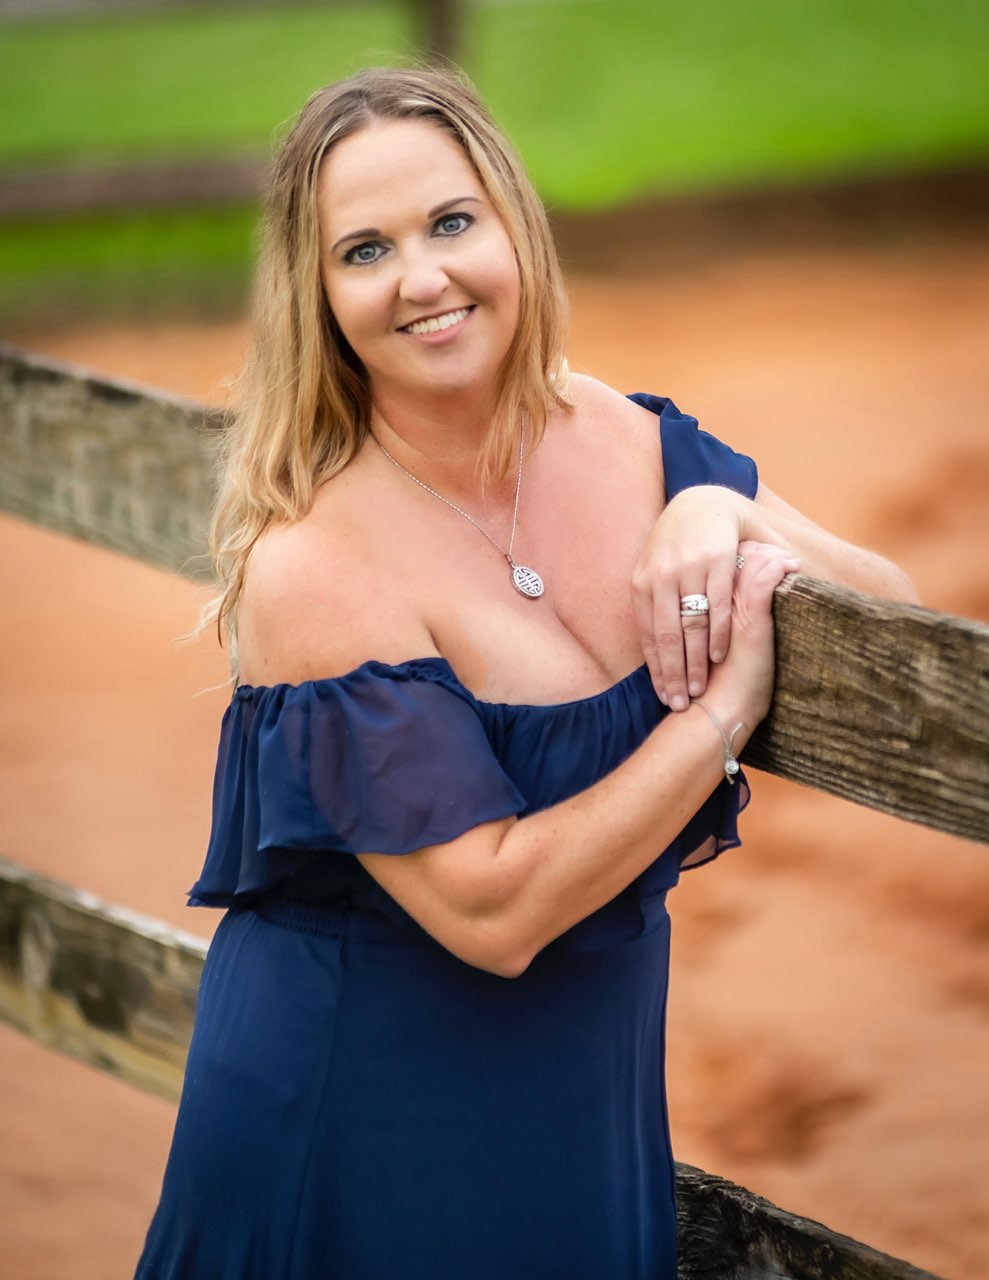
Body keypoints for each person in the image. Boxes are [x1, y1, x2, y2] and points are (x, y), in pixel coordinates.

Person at [135, 65, 915, 1279]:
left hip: (579, 1102)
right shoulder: (316, 564)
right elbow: (493, 912)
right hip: (353, 1119)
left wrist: (716, 507)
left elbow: (895, 617)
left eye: (451, 222)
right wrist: (717, 715)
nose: (421, 278)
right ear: (316, 293)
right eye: (364, 250)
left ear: (512, 226)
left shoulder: (619, 435)